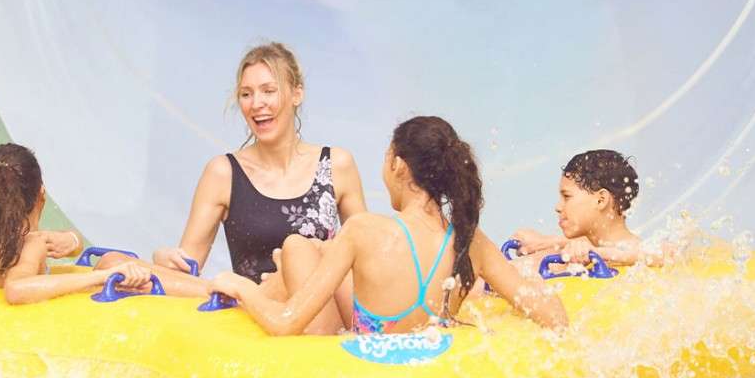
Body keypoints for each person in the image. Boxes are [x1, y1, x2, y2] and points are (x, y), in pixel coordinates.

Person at [211, 116, 568, 335]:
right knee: (301, 249)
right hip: (426, 369)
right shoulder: (469, 240)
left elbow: (286, 323)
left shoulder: (364, 231)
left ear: (398, 165)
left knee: (295, 249)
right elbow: (553, 316)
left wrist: (241, 287)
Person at [151, 42, 367, 333]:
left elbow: (364, 263)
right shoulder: (223, 173)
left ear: (296, 94)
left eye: (269, 90)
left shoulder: (337, 165)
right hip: (255, 330)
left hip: (325, 332)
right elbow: (188, 269)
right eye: (246, 94)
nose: (257, 103)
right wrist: (164, 262)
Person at [0, 143, 206, 304]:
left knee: (109, 262)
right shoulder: (33, 245)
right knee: (111, 262)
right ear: (41, 193)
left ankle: (185, 277)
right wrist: (103, 277)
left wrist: (72, 240)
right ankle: (209, 290)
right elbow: (16, 289)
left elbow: (69, 247)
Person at [512, 149, 663, 268]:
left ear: (601, 200)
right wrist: (547, 242)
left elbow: (672, 253)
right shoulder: (573, 254)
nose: (558, 207)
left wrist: (597, 253)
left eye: (567, 197)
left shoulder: (646, 253)